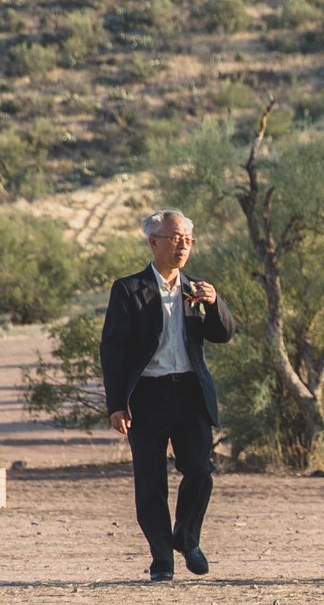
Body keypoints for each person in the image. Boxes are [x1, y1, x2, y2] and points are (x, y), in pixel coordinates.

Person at [100, 210, 236, 582]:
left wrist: (215, 302)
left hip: (191, 393)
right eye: (175, 238)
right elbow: (113, 349)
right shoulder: (128, 289)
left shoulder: (197, 289)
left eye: (188, 240)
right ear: (153, 241)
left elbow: (223, 334)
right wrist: (116, 404)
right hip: (147, 394)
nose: (183, 246)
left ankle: (186, 537)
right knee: (150, 481)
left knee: (201, 472)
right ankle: (162, 558)